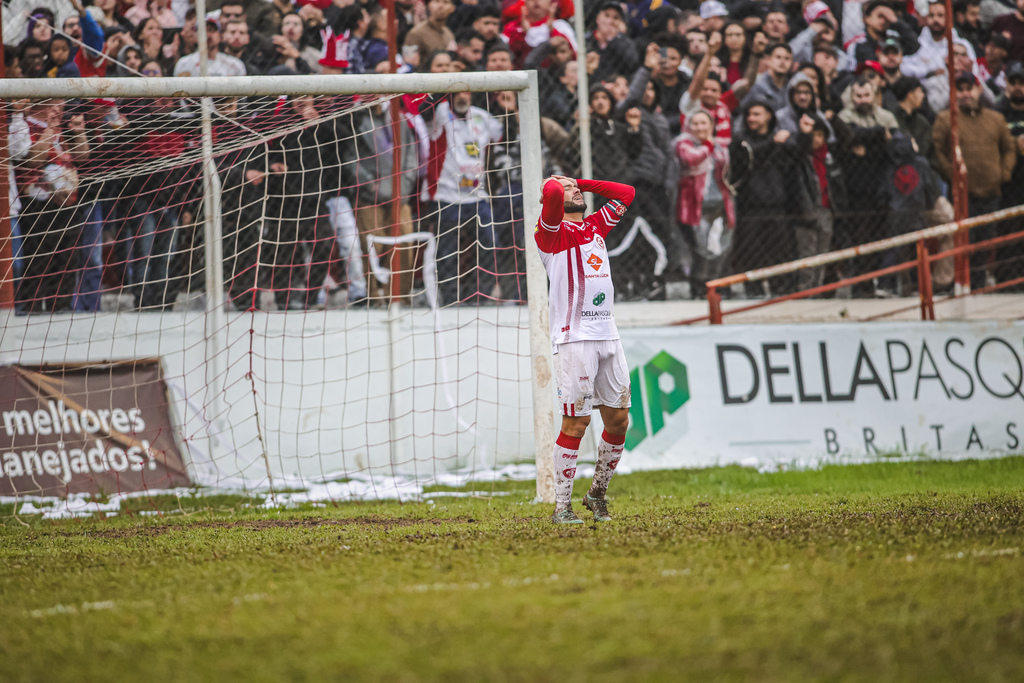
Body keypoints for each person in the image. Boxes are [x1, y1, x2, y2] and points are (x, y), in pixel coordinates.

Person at [534, 174, 635, 524]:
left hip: (608, 334)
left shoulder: (595, 227)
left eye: (575, 187)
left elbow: (626, 191)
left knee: (619, 419)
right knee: (576, 422)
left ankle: (596, 495)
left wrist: (580, 180)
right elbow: (549, 191)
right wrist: (558, 184)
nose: (574, 190)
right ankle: (562, 506)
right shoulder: (550, 233)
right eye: (567, 189)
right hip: (574, 339)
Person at [933, 72, 1017, 288]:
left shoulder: (995, 118)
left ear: (978, 90)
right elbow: (937, 151)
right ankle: (961, 285)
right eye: (960, 90)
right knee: (964, 240)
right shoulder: (946, 119)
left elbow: (1009, 149)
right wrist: (951, 174)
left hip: (992, 191)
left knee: (986, 242)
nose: (965, 94)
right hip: (963, 193)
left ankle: (980, 286)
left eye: (969, 89)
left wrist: (1003, 173)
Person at [420, 91, 503, 305]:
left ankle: (481, 295)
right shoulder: (440, 114)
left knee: (490, 243)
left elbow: (503, 134)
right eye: (457, 92)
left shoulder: (482, 117)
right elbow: (423, 112)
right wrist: (443, 87)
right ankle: (449, 298)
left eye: (466, 91)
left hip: (477, 195)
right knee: (447, 251)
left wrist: (507, 108)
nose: (462, 97)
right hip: (446, 195)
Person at [675, 111, 734, 298]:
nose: (700, 127)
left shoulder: (721, 147)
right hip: (696, 205)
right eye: (696, 123)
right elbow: (691, 159)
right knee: (701, 248)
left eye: (704, 123)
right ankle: (700, 286)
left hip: (721, 202)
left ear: (711, 125)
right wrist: (709, 144)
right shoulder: (684, 144)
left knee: (722, 247)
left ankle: (719, 285)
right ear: (689, 126)